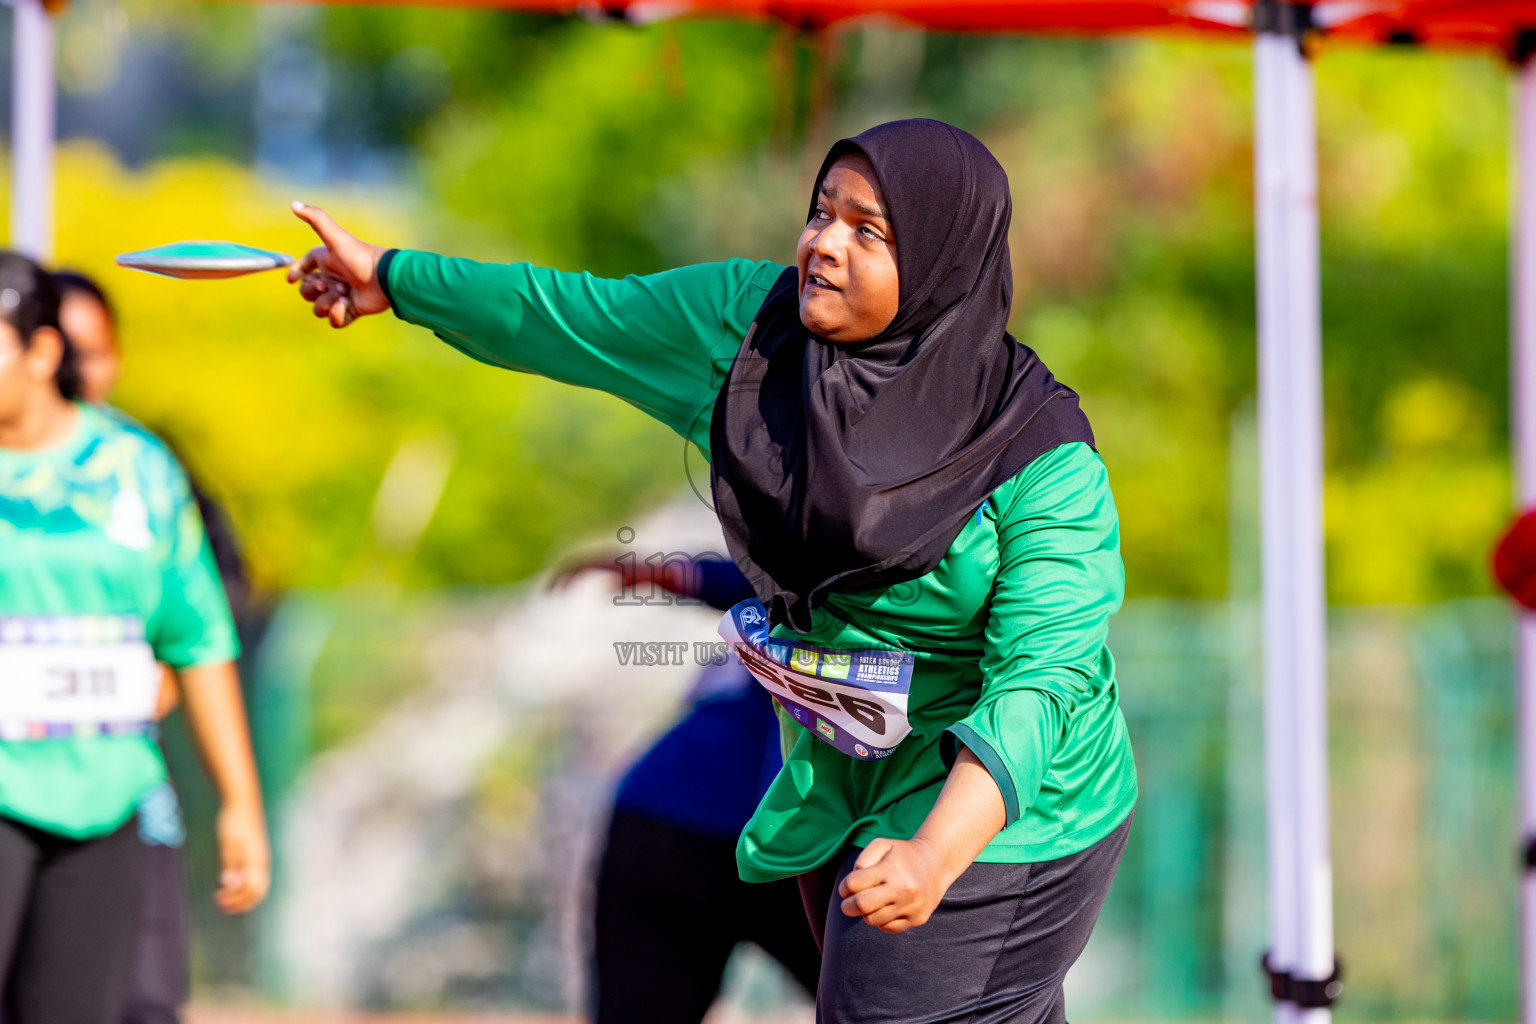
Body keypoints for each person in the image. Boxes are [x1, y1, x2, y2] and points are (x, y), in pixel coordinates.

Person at [287, 118, 1137, 1023]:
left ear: (941, 264)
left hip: (1013, 809)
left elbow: (1040, 681)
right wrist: (395, 280)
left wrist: (933, 850)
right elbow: (575, 317)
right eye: (821, 212)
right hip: (849, 779)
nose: (824, 245)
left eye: (868, 231)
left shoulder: (1043, 460)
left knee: (880, 1003)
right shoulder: (751, 336)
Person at [0, 252, 269, 1024]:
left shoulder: (138, 470)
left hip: (107, 803)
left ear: (44, 353)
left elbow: (199, 638)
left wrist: (240, 804)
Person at [554, 554, 819, 1021]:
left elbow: (757, 578)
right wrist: (660, 573)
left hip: (665, 805)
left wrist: (658, 573)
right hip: (744, 826)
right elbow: (764, 578)